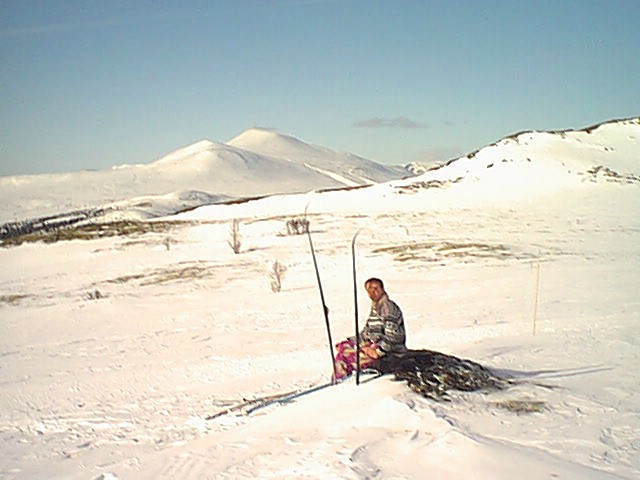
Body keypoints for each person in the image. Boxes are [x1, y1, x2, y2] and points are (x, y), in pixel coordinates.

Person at [333, 277, 407, 381]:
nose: (374, 291)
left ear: (382, 289)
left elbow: (393, 337)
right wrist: (350, 341)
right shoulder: (376, 308)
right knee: (344, 347)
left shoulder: (388, 308)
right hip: (373, 346)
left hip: (390, 352)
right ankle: (341, 379)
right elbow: (366, 333)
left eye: (376, 288)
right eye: (370, 289)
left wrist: (378, 351)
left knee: (346, 357)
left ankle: (340, 382)